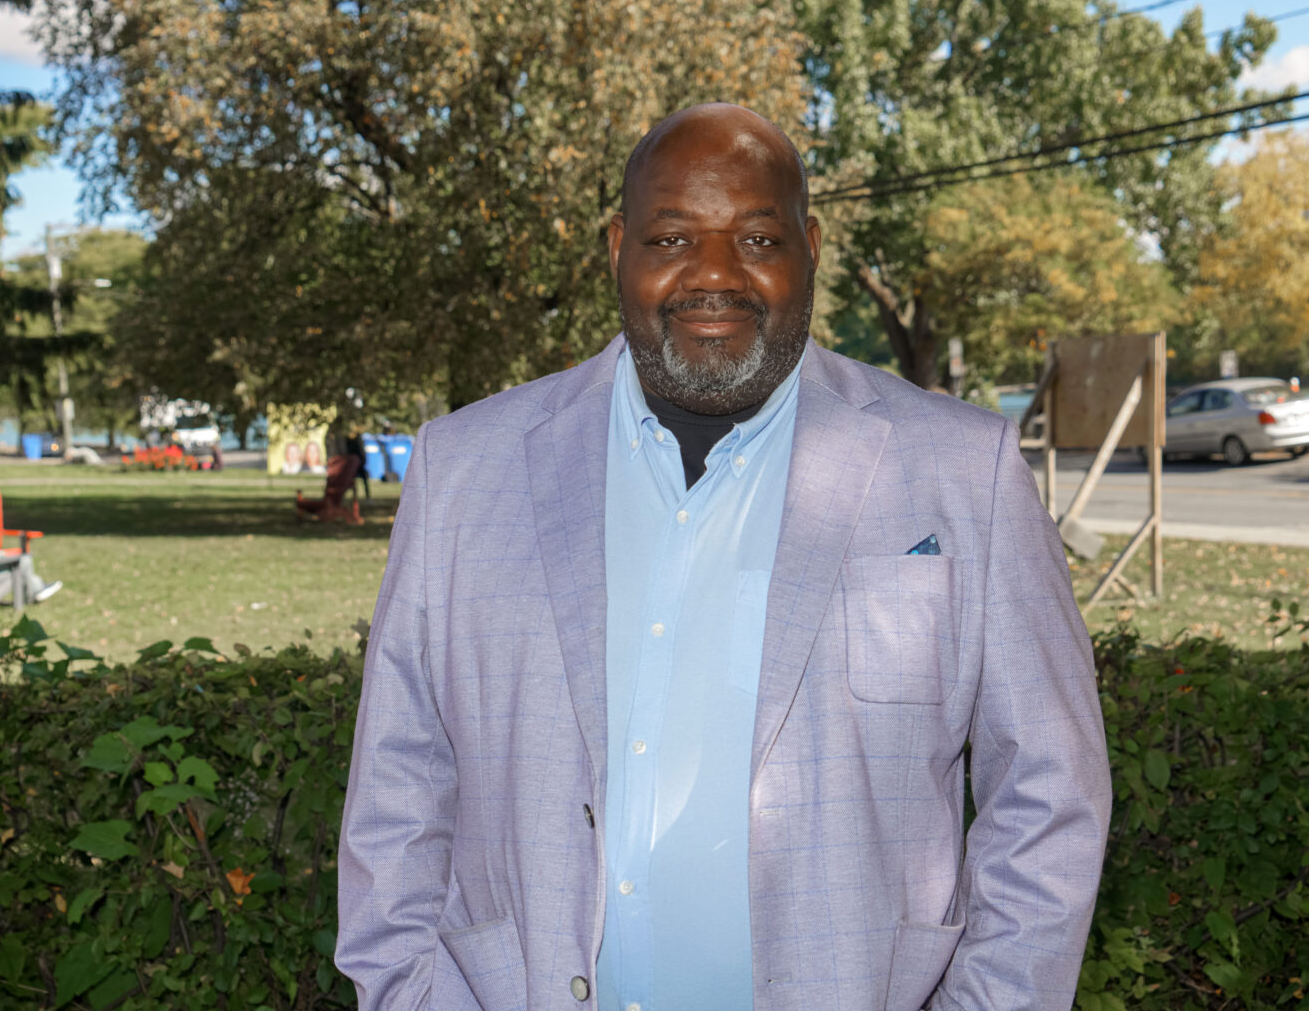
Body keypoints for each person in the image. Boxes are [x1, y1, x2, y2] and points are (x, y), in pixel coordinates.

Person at [337, 104, 1111, 1011]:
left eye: (757, 239)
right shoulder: (466, 468)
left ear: (809, 250)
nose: (713, 273)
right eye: (671, 238)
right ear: (617, 248)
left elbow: (1050, 791)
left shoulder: (962, 471)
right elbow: (399, 781)